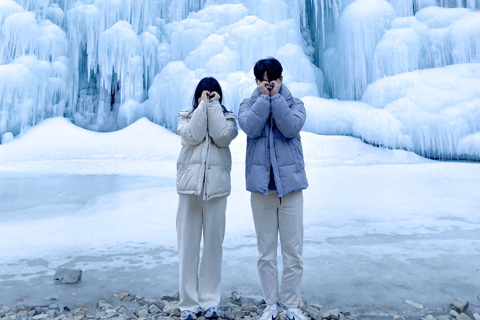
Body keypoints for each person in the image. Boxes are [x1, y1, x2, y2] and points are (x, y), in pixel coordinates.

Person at [238, 58, 308, 320]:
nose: (269, 84)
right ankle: (271, 305)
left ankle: (291, 305)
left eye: (274, 79)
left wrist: (276, 99)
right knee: (266, 253)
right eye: (264, 80)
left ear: (281, 79)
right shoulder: (247, 105)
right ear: (256, 82)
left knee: (293, 252)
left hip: (290, 190)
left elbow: (291, 128)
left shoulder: (295, 104)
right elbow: (251, 127)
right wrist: (264, 101)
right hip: (261, 191)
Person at [176, 77, 238, 320]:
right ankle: (188, 304)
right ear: (196, 96)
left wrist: (213, 109)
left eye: (212, 94)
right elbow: (193, 135)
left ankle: (210, 300)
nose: (208, 97)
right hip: (189, 190)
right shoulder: (186, 117)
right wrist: (202, 108)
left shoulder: (229, 119)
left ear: (219, 97)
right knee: (187, 247)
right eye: (204, 94)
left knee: (213, 247)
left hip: (216, 190)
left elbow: (222, 136)